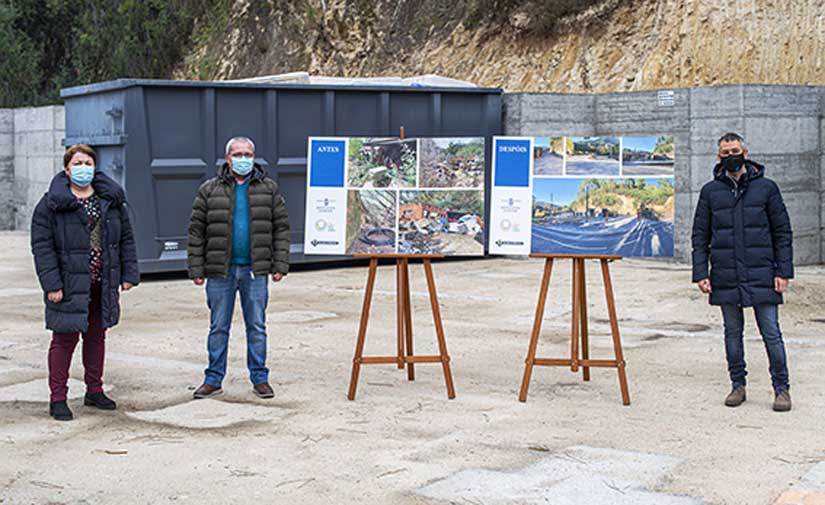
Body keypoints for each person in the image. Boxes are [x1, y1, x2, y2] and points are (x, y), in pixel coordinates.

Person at [31, 144, 139, 421]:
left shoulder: (109, 201)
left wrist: (128, 275)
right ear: (67, 170)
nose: (83, 168)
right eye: (77, 163)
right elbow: (42, 248)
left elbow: (125, 238)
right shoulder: (51, 204)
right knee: (64, 339)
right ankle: (58, 398)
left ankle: (94, 390)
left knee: (96, 336)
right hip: (68, 283)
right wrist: (52, 284)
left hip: (102, 281)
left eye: (88, 163)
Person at [691, 132, 793, 412]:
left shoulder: (768, 189)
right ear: (718, 157)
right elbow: (700, 235)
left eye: (735, 150)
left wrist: (783, 271)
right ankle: (738, 385)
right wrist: (702, 272)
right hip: (725, 274)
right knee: (732, 333)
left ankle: (781, 389)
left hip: (763, 273)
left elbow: (782, 232)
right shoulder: (710, 191)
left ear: (745, 152)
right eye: (725, 153)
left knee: (771, 332)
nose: (731, 156)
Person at [187, 136, 290, 399]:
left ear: (254, 158)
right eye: (237, 154)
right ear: (227, 158)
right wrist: (196, 268)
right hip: (220, 271)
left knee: (256, 326)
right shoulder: (209, 189)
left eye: (247, 154)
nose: (242, 159)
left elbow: (281, 228)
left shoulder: (268, 189)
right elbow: (196, 232)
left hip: (256, 271)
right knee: (218, 326)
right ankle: (213, 379)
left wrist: (280, 264)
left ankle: (260, 378)